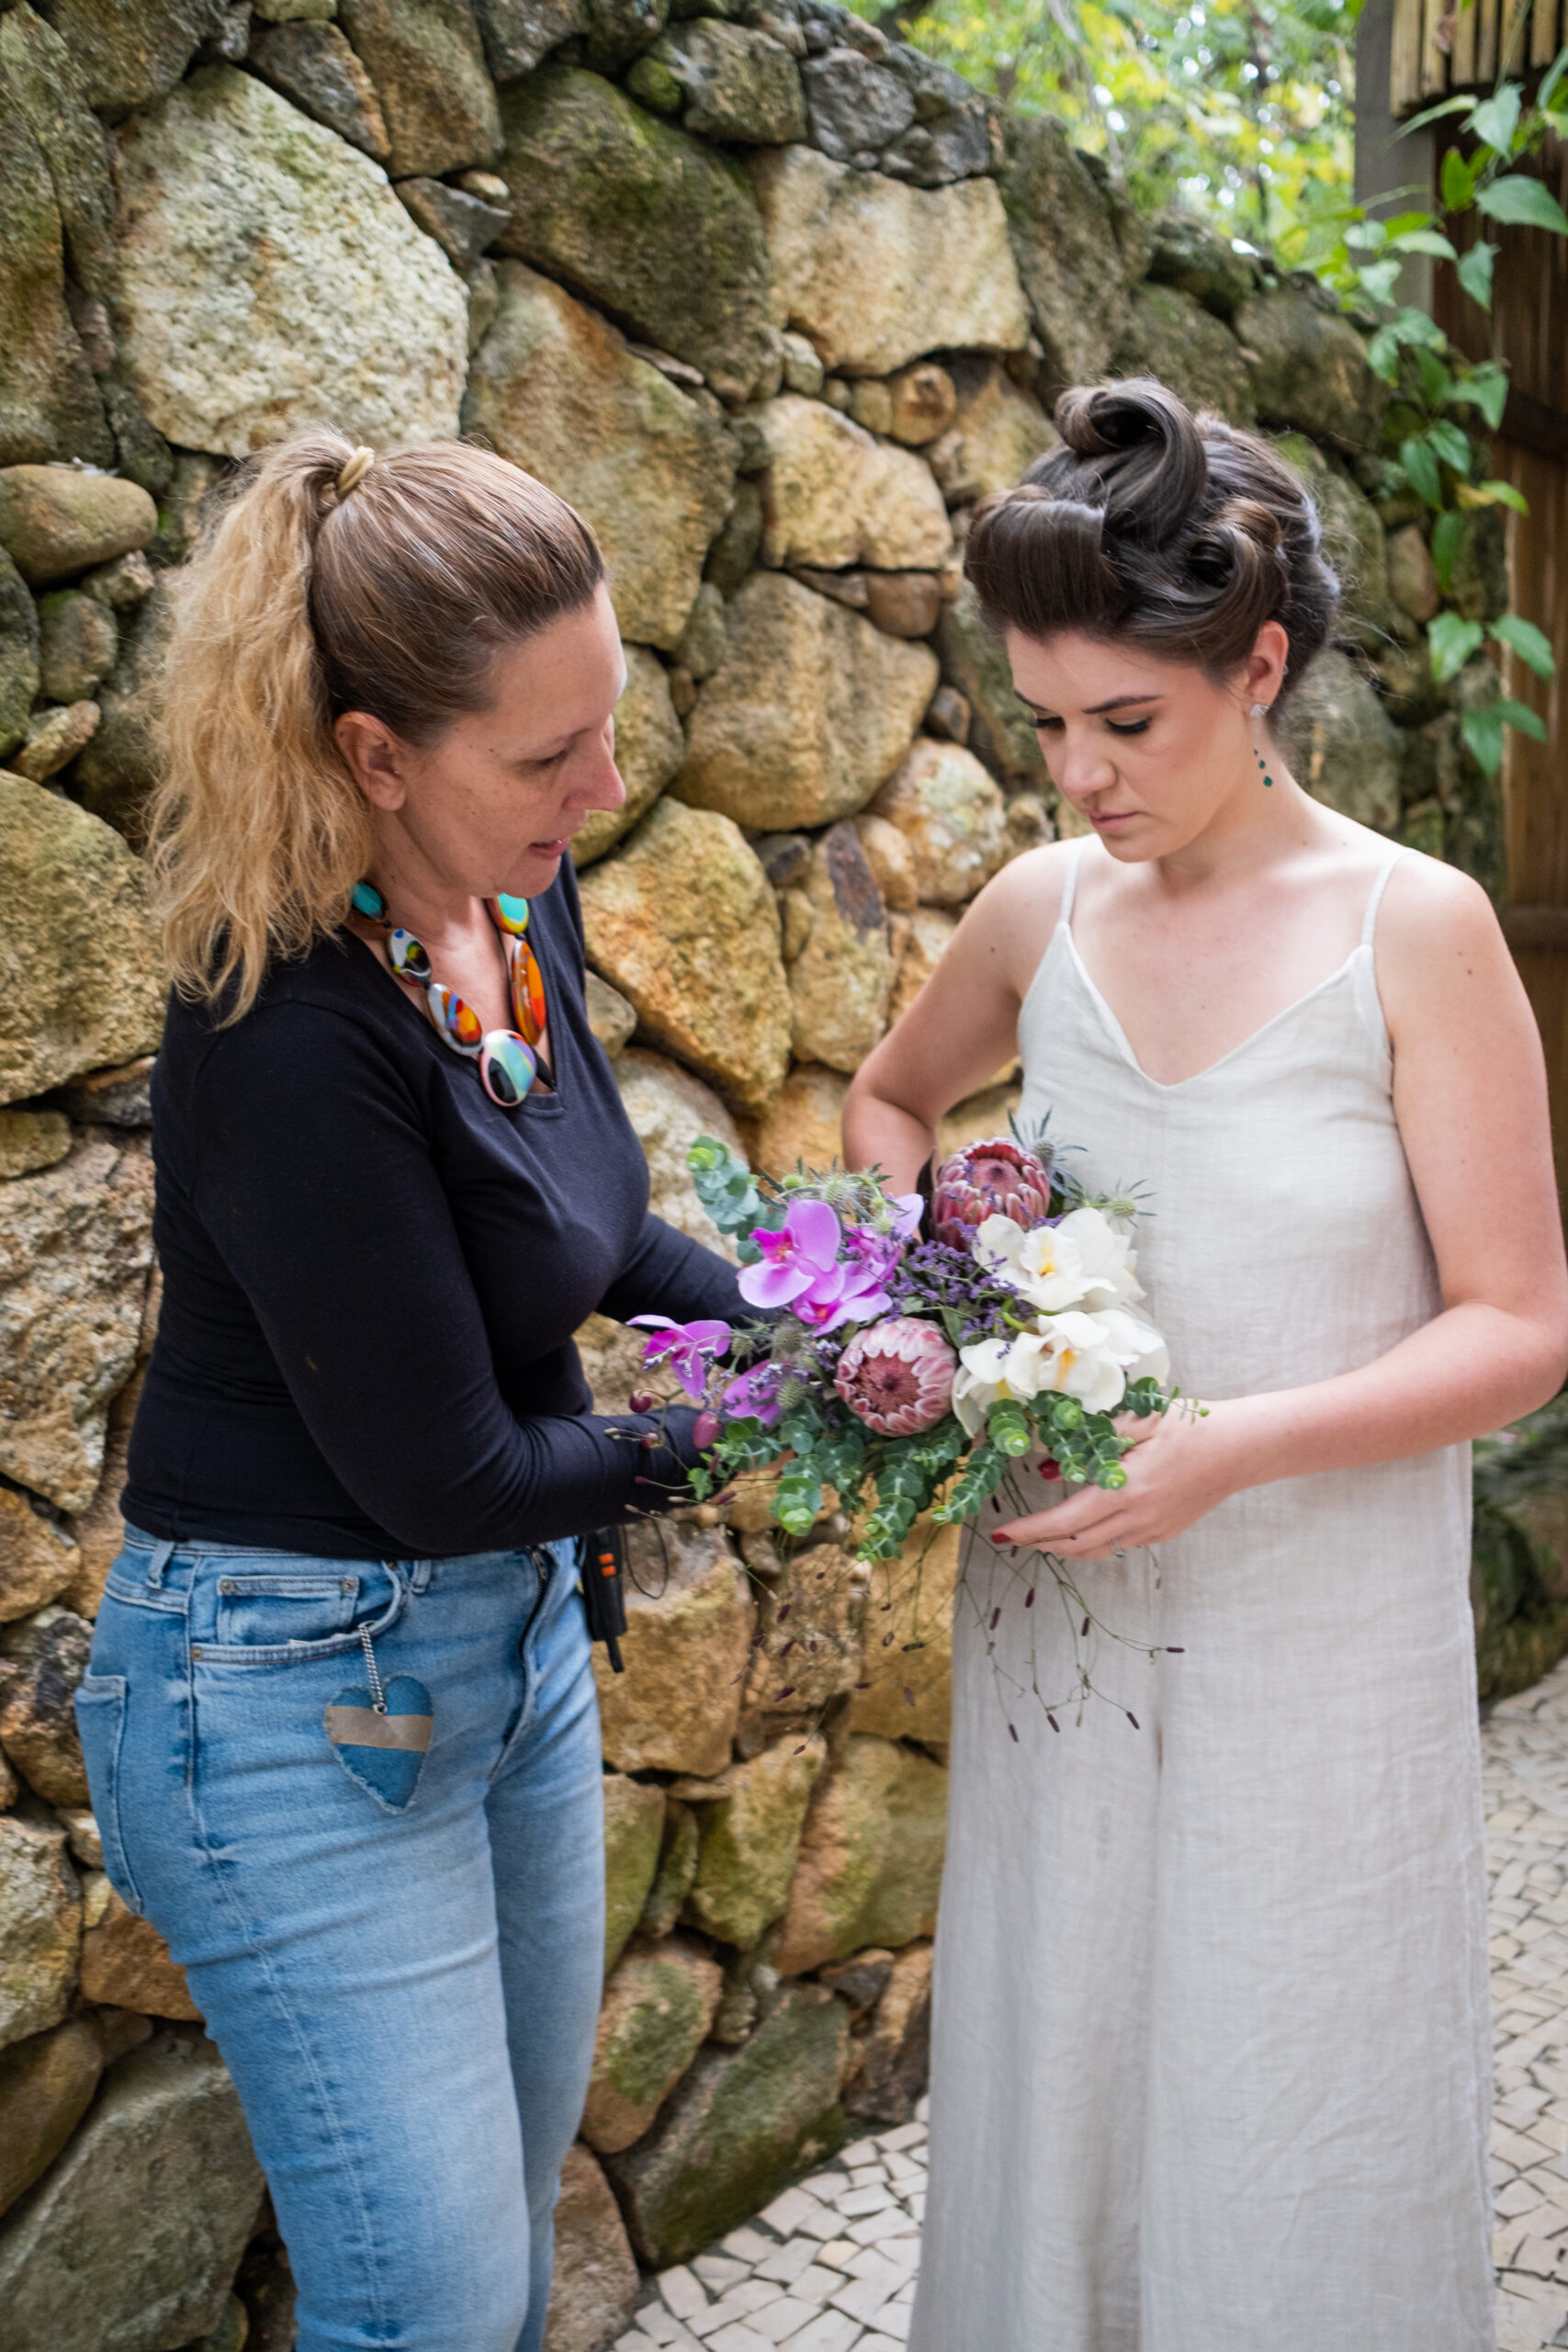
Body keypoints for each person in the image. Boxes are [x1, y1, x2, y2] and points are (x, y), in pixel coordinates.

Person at [843, 378, 1568, 2351]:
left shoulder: (1412, 931)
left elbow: (1520, 1325)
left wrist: (1228, 1446)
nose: (1076, 771)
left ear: (1258, 665)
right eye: (1043, 719)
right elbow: (892, 1102)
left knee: (1285, 2080)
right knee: (1058, 2052)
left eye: (1125, 722)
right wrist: (961, 1312)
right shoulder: (1035, 907)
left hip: (1313, 1636)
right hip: (1060, 1617)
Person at [73, 432, 743, 2352]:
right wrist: (769, 1421)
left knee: (496, 2269)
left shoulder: (508, 893)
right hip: (287, 1690)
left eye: (603, 728)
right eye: (548, 759)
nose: (601, 794)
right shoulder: (280, 1022)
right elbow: (455, 1465)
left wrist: (806, 1318)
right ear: (376, 753)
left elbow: (587, 1234)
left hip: (503, 1650)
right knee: (430, 2306)